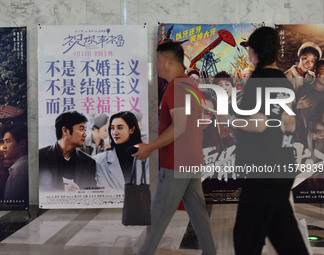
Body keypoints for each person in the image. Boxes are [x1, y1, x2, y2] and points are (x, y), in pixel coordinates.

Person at [231, 27, 309, 255]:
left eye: (249, 50)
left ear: (254, 52)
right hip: (281, 168)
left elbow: (259, 124)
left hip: (264, 172)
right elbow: (289, 125)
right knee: (285, 236)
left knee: (245, 240)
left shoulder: (259, 81)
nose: (248, 55)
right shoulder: (284, 82)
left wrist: (230, 119)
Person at [134, 42, 216, 255]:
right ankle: (210, 252)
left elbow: (178, 126)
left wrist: (150, 147)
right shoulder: (190, 85)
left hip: (176, 163)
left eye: (159, 60)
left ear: (169, 61)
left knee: (159, 213)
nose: (157, 65)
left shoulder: (175, 87)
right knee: (198, 213)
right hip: (192, 160)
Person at [39, 111, 96, 192]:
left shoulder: (89, 163)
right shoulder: (40, 157)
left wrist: (80, 193)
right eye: (81, 129)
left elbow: (92, 192)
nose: (85, 134)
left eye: (85, 130)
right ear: (65, 131)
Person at [94, 111, 148, 191]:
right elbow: (105, 191)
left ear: (132, 129)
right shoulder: (100, 161)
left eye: (120, 128)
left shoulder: (147, 158)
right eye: (112, 128)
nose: (115, 132)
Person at [294, 60, 324, 145]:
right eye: (323, 72)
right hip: (304, 138)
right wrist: (296, 106)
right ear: (315, 72)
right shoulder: (305, 91)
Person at [2, 124, 28, 202]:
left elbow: (10, 205)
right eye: (4, 142)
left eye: (8, 141)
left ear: (22, 144)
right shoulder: (26, 163)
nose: (4, 146)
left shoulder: (18, 170)